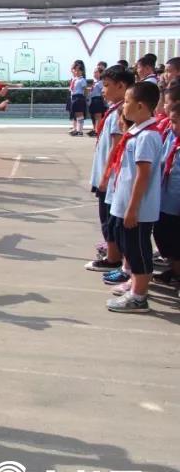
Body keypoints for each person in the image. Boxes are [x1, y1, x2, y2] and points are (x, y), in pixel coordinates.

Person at [97, 81, 164, 312]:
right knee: (131, 248)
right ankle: (134, 287)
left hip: (138, 208)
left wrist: (133, 208)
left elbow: (143, 176)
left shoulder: (147, 136)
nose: (123, 107)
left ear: (141, 107)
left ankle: (139, 297)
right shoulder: (136, 132)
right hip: (126, 203)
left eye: (127, 102)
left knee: (138, 250)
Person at [84, 66, 138, 274]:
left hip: (110, 178)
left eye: (106, 86)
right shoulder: (115, 110)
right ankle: (113, 254)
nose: (102, 90)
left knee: (110, 219)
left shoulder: (120, 113)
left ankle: (114, 257)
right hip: (105, 176)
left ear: (121, 86)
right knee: (107, 218)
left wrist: (106, 176)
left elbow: (116, 147)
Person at [154, 99, 180, 295]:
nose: (172, 125)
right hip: (166, 199)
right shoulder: (171, 135)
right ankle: (175, 271)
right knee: (165, 238)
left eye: (176, 121)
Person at [69, 60, 88, 136]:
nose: (77, 72)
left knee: (80, 114)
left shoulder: (82, 80)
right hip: (74, 98)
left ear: (82, 71)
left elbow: (85, 90)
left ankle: (80, 131)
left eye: (79, 70)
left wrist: (85, 98)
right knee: (76, 114)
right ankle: (77, 130)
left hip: (79, 97)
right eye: (76, 70)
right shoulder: (74, 79)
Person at [88, 63, 107, 136]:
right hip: (93, 100)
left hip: (98, 100)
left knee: (98, 116)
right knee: (94, 116)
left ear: (101, 73)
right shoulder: (96, 82)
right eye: (94, 72)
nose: (94, 74)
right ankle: (95, 129)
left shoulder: (101, 82)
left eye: (96, 72)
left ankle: (97, 130)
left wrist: (104, 101)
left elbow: (103, 92)